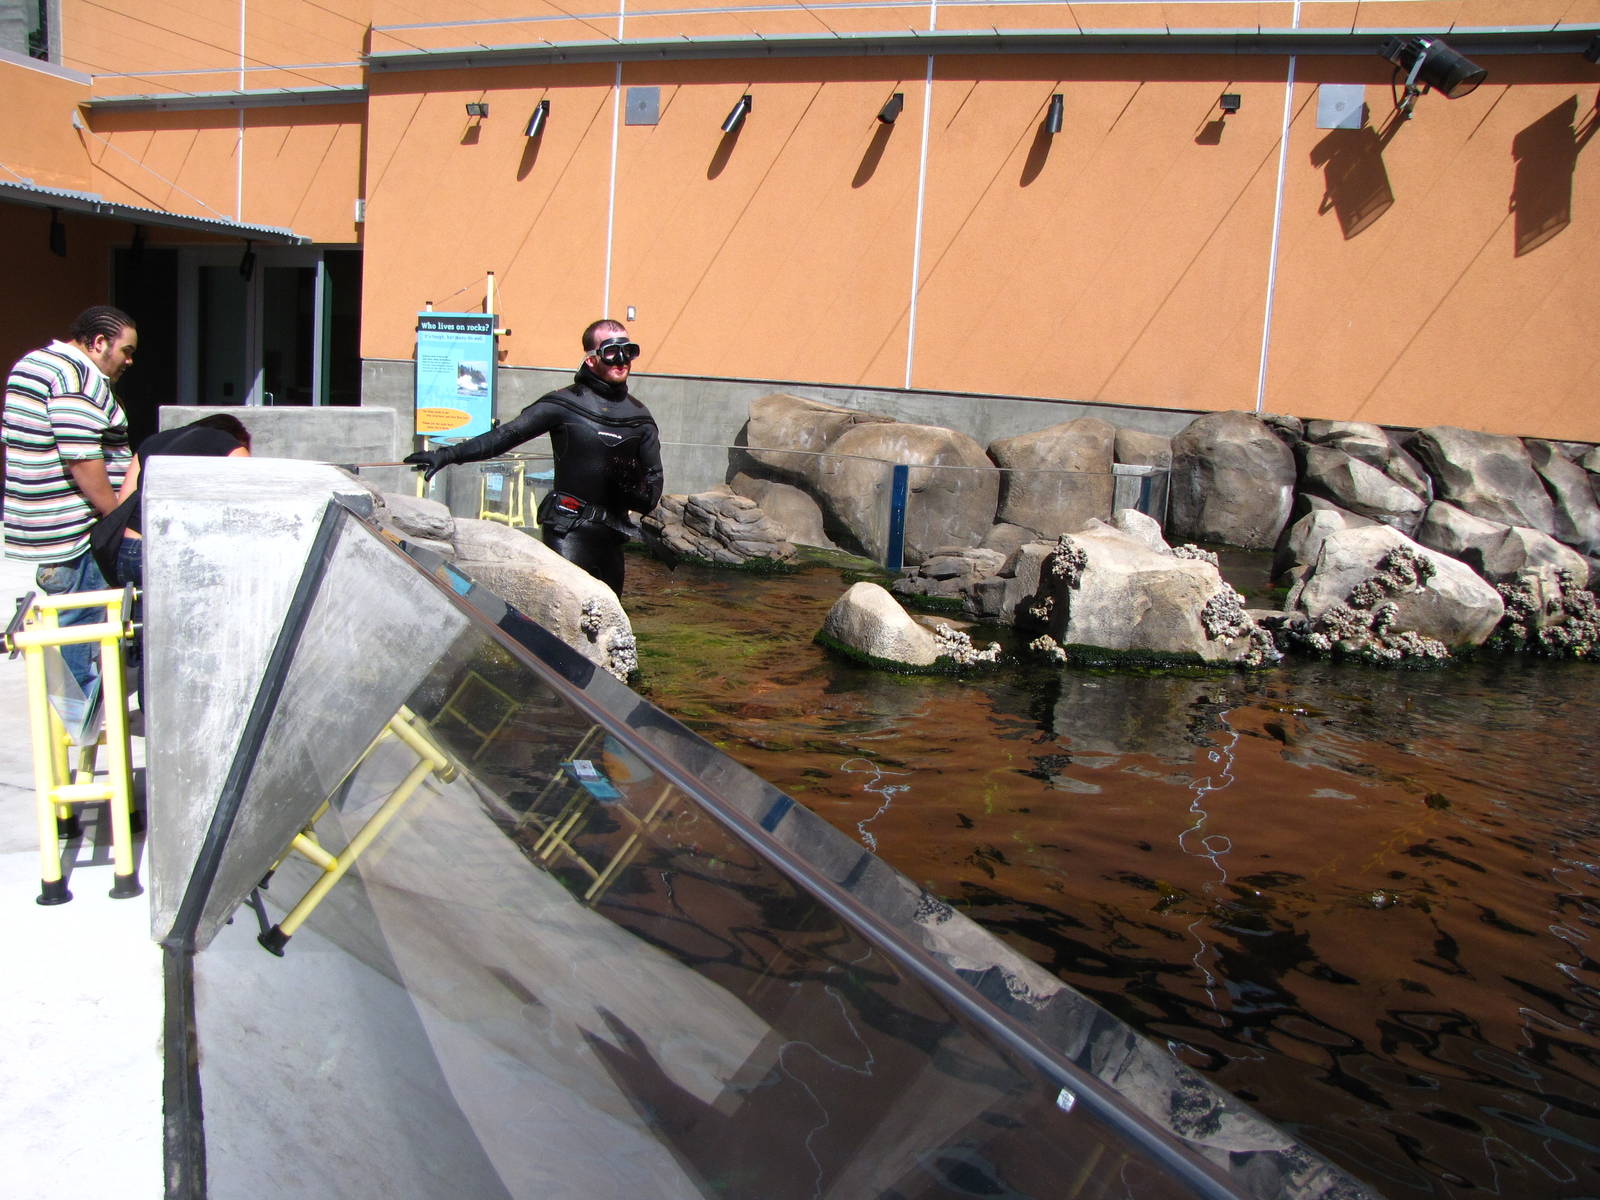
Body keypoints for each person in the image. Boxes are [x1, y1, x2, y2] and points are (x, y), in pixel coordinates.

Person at [405, 319, 664, 595]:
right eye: (612, 351)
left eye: (629, 350)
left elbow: (653, 485)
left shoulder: (639, 417)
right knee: (567, 614)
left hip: (612, 536)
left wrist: (631, 486)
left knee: (611, 626)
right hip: (568, 531)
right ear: (591, 359)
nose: (622, 360)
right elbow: (506, 436)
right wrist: (448, 454)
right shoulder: (564, 404)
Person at [2, 305, 139, 691]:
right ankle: (78, 719)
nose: (129, 360)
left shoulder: (35, 363)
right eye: (126, 350)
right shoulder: (77, 375)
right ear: (99, 343)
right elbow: (81, 457)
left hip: (43, 525)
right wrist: (115, 517)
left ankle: (73, 710)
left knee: (71, 621)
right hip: (75, 531)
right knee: (80, 623)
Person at [90, 413, 253, 590]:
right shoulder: (229, 443)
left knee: (142, 617)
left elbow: (124, 503)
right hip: (168, 552)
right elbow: (248, 504)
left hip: (127, 550)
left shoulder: (153, 441)